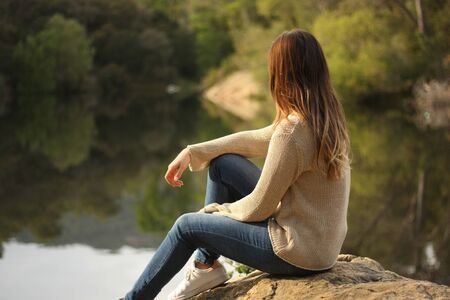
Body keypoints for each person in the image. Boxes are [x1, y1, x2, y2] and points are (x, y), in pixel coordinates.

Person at [121, 28, 351, 300]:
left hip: (296, 252)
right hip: (321, 247)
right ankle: (206, 266)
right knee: (223, 164)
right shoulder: (325, 118)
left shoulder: (292, 133)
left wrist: (217, 212)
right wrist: (193, 152)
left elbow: (259, 207)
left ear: (282, 74)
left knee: (187, 226)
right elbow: (257, 139)